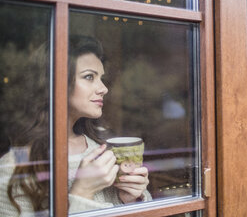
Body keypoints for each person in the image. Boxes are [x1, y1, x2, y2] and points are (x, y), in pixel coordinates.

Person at [0, 36, 150, 216]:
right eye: (89, 77)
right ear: (53, 82)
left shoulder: (102, 144)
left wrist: (132, 199)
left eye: (101, 78)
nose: (104, 88)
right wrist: (82, 192)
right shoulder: (15, 165)